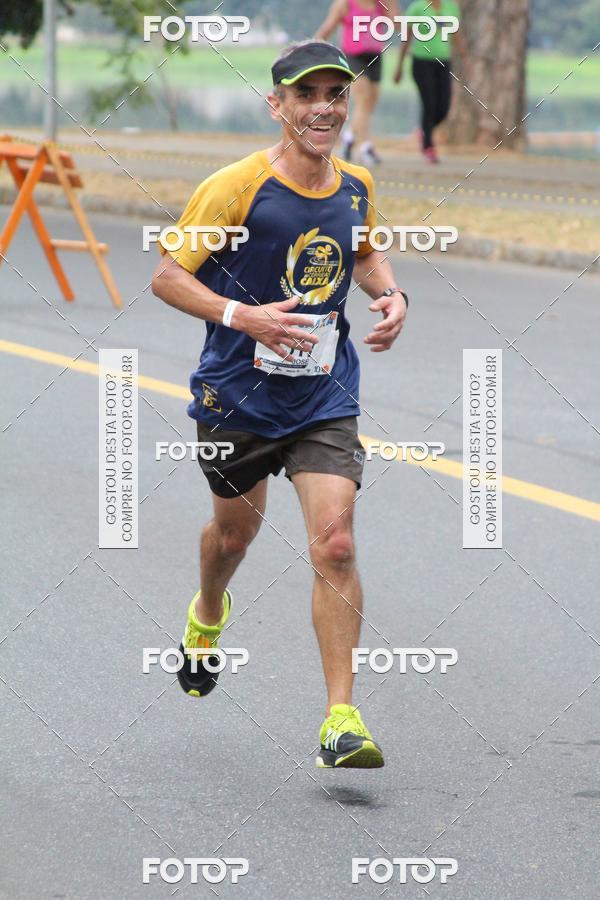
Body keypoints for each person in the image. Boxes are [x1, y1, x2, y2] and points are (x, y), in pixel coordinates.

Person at [151, 40, 409, 769]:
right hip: (237, 394)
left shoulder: (356, 184)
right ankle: (207, 614)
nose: (323, 108)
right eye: (306, 95)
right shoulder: (236, 187)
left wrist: (391, 294)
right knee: (233, 538)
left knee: (337, 544)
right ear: (277, 105)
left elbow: (364, 252)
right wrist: (247, 317)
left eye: (335, 94)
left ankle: (340, 721)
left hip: (323, 394)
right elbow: (168, 276)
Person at [315, 0, 402, 165]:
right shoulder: (345, 4)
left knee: (370, 103)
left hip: (375, 57)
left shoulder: (381, 4)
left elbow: (397, 25)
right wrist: (312, 54)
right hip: (353, 57)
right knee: (363, 98)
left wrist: (391, 4)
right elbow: (326, 30)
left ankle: (349, 137)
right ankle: (365, 147)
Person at [394, 0, 469, 163]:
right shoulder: (417, 8)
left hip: (443, 62)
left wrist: (465, 58)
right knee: (429, 104)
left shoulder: (450, 7)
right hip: (421, 62)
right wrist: (399, 67)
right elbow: (406, 39)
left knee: (443, 107)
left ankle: (423, 131)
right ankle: (428, 146)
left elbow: (457, 35)